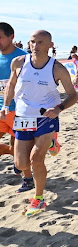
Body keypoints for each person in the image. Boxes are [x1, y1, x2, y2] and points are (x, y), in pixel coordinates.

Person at [1, 30, 77, 216]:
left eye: (40, 42)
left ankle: (39, 198)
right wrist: (5, 105)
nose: (35, 46)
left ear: (50, 45)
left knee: (36, 159)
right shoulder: (18, 62)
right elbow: (11, 85)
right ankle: (52, 143)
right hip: (23, 116)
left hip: (46, 118)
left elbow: (73, 95)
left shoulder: (57, 68)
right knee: (21, 164)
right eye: (33, 41)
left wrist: (59, 109)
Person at [0, 22, 31, 192]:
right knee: (15, 151)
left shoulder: (24, 58)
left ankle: (28, 179)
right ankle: (13, 155)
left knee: (20, 150)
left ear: (11, 37)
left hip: (20, 111)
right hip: (1, 108)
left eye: (0, 37)